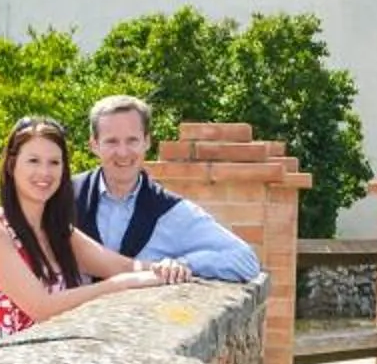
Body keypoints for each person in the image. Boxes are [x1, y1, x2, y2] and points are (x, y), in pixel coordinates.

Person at [0, 115, 190, 348]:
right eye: (33, 161)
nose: (45, 172)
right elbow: (42, 308)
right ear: (12, 165)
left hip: (55, 362)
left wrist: (164, 268)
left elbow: (122, 266)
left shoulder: (58, 232)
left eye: (54, 162)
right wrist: (116, 285)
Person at [74, 95, 264, 284]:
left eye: (132, 140)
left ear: (147, 142)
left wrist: (183, 264)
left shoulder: (172, 211)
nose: (123, 152)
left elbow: (246, 261)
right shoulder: (65, 196)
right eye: (112, 141)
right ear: (94, 145)